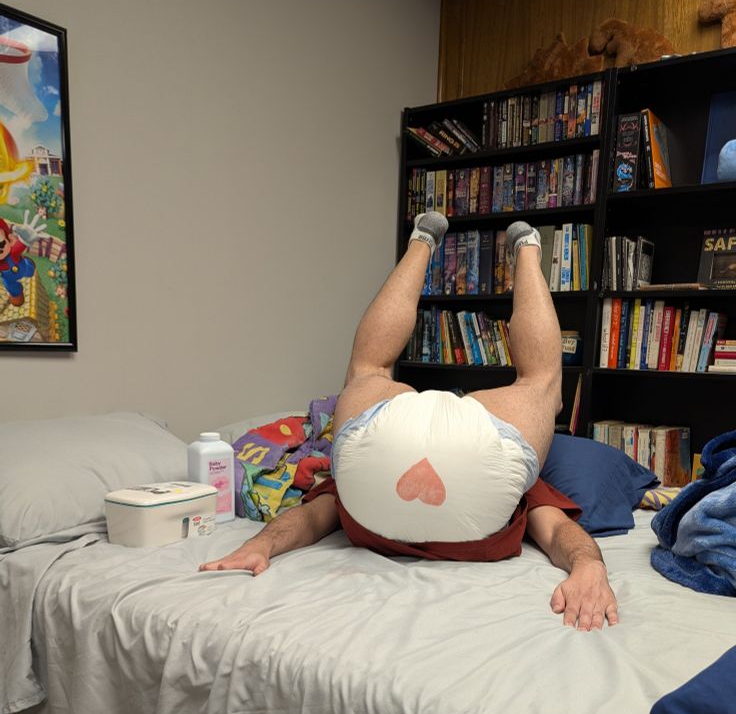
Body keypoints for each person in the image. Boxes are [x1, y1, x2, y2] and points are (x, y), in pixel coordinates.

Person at [201, 215, 619, 632]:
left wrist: (260, 546)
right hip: (478, 464)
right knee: (542, 382)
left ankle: (423, 239)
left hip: (379, 438)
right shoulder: (521, 487)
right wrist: (589, 570)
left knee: (369, 367)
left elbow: (309, 519)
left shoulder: (355, 480)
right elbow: (562, 534)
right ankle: (527, 247)